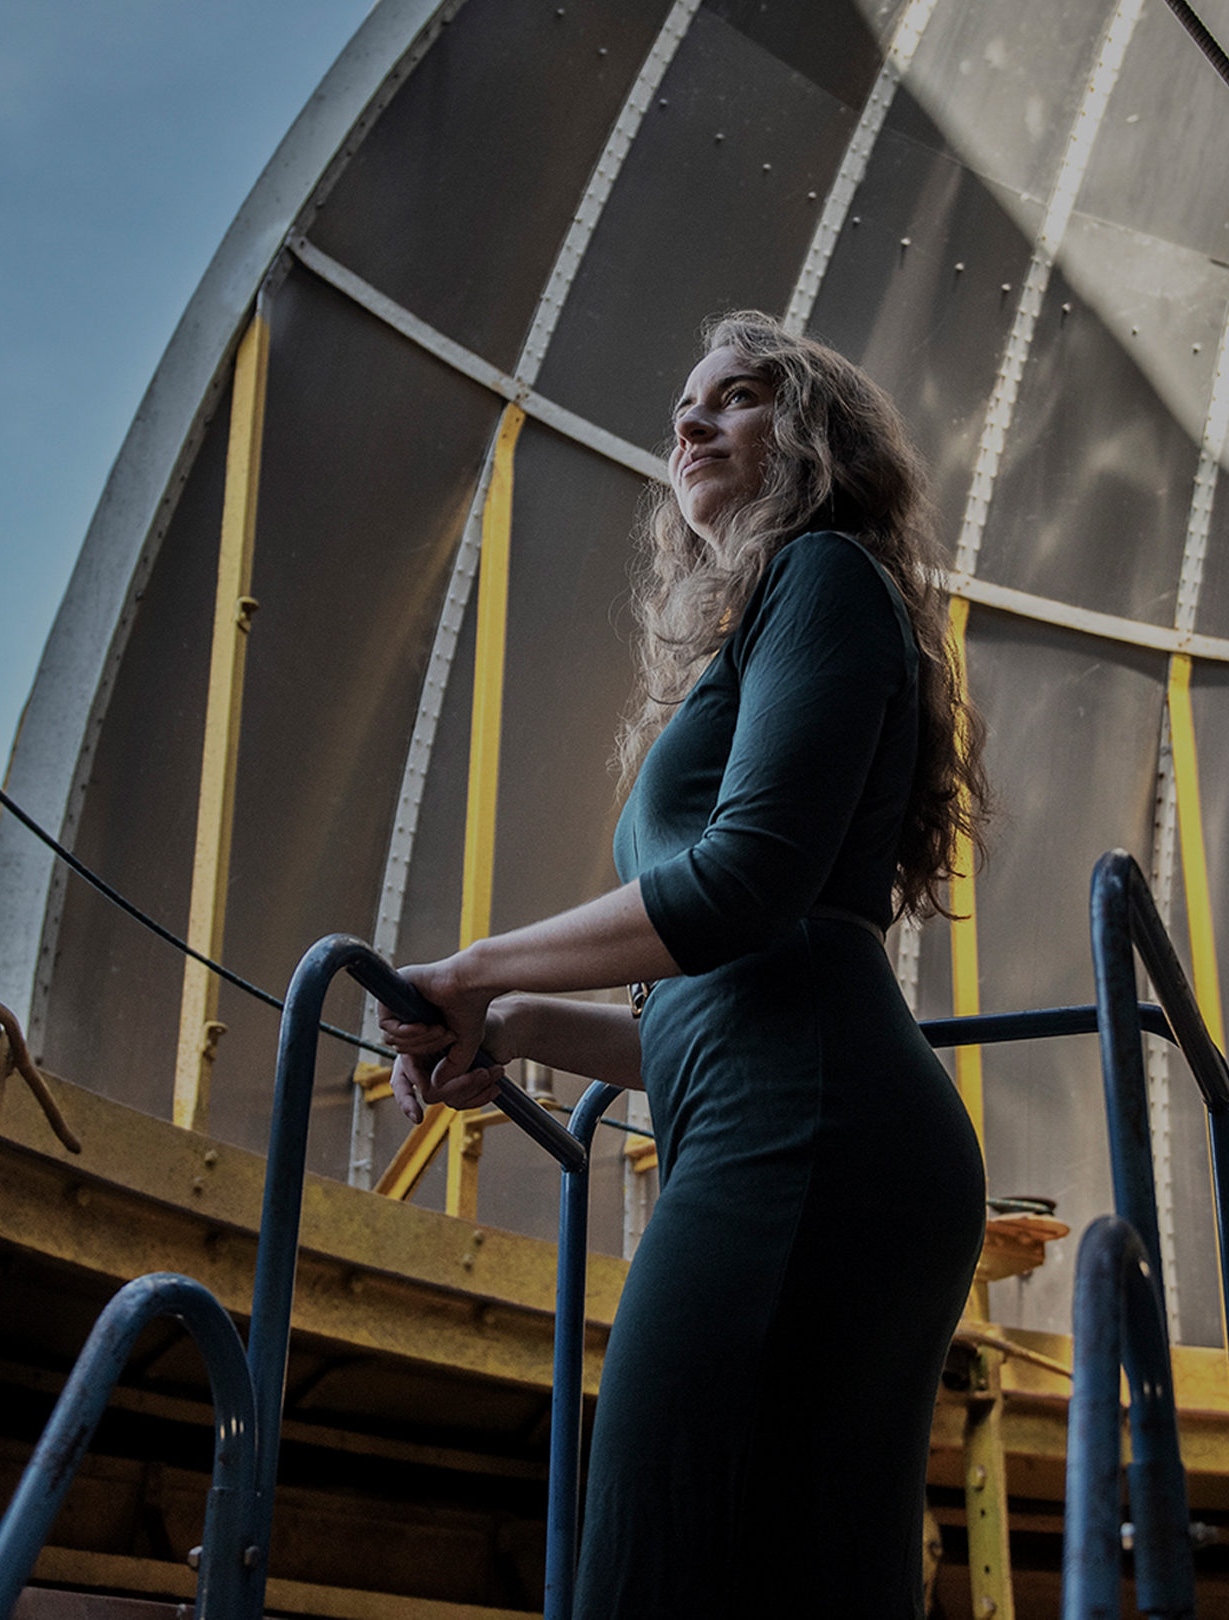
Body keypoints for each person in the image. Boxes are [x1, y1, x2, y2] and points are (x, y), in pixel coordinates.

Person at [380, 311, 991, 1616]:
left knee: (659, 1555)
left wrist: (477, 968)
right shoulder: (777, 626)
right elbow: (716, 1014)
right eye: (685, 403)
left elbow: (741, 888)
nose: (692, 421)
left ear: (818, 438)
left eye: (740, 395)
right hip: (807, 1123)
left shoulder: (825, 575)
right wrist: (528, 1022)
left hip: (810, 1140)